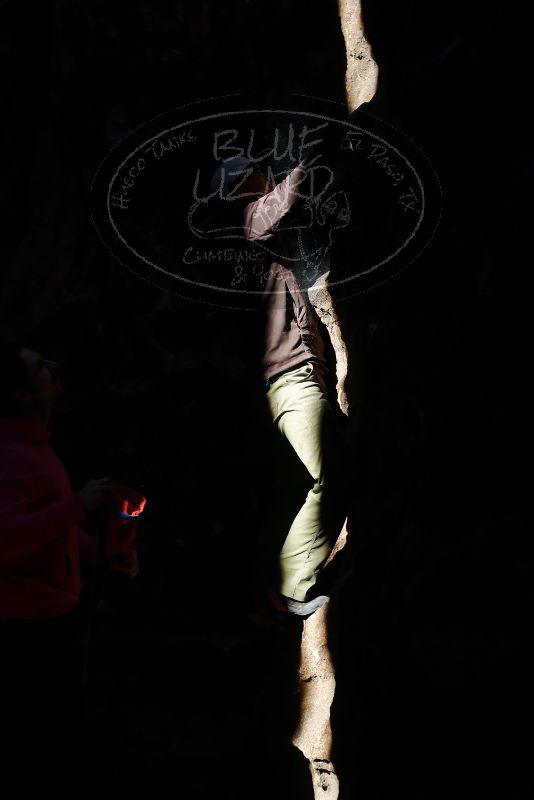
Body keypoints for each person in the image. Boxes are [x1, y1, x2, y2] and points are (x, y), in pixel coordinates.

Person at [201, 116, 354, 618]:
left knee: (315, 473)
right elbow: (276, 206)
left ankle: (289, 581)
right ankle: (294, 589)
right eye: (257, 172)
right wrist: (316, 156)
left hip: (293, 378)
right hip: (292, 379)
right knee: (323, 474)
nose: (266, 174)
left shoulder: (259, 244)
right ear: (239, 188)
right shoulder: (244, 225)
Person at [0, 339, 124, 777]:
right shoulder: (12, 457)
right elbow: (7, 540)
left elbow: (51, 529)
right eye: (38, 367)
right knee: (44, 750)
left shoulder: (35, 447)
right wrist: (80, 503)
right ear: (23, 394)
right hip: (22, 632)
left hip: (44, 621)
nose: (52, 364)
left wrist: (103, 551)